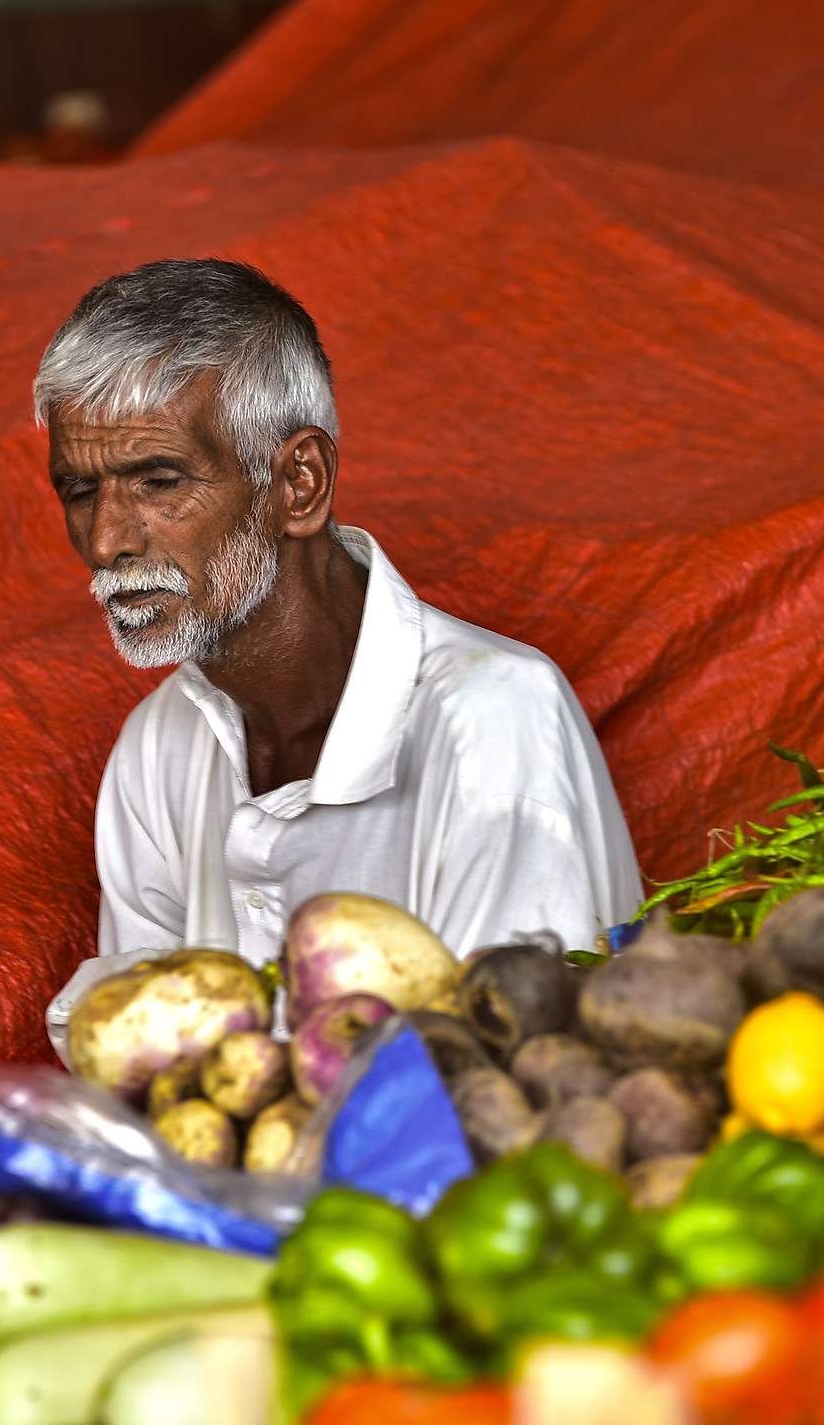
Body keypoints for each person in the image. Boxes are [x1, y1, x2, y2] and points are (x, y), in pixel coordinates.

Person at [38, 259, 641, 1050]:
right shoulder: (159, 746)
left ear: (298, 483)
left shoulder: (492, 719)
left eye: (158, 481)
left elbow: (508, 1089)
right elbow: (142, 1067)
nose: (109, 540)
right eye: (81, 492)